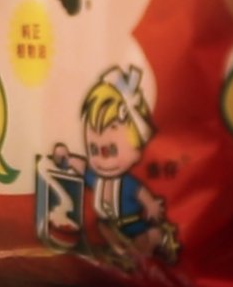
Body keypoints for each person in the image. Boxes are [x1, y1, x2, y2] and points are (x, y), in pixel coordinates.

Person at [50, 65, 179, 266]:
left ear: (138, 144)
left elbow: (141, 193)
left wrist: (151, 205)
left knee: (144, 240)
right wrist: (64, 158)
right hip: (112, 225)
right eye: (93, 149)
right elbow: (82, 166)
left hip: (134, 223)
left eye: (110, 151)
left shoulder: (126, 183)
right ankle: (122, 252)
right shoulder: (96, 177)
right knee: (103, 227)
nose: (102, 160)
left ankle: (155, 241)